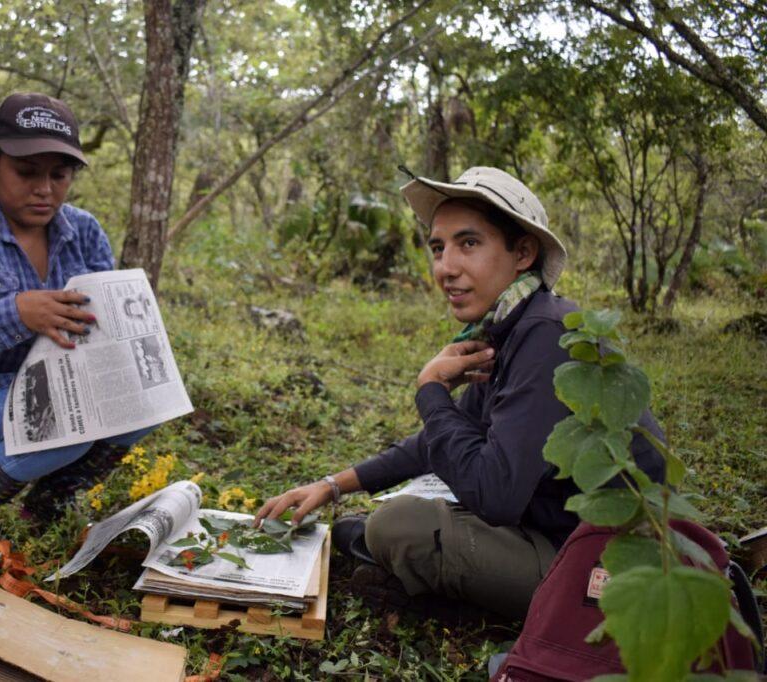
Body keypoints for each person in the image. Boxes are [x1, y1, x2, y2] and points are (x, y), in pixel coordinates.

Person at [255, 166, 666, 621]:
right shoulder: (509, 329)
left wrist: (431, 391)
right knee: (392, 519)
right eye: (438, 248)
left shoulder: (547, 335)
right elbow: (437, 443)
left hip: (607, 569)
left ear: (523, 253)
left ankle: (444, 600)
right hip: (552, 530)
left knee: (399, 526)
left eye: (468, 243)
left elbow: (495, 495)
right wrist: (332, 485)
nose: (446, 268)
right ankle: (397, 561)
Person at [0, 93, 151, 547]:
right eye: (27, 172)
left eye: (59, 175)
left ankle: (50, 498)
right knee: (65, 428)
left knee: (142, 404)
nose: (45, 189)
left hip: (45, 386)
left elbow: (101, 331)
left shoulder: (83, 231)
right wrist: (14, 314)